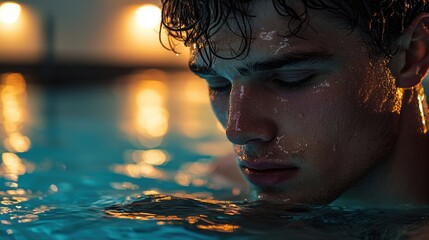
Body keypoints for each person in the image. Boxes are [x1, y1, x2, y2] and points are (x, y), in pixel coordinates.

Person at [160, 0, 429, 208]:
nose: (238, 131)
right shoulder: (224, 178)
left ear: (412, 56)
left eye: (291, 78)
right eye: (219, 84)